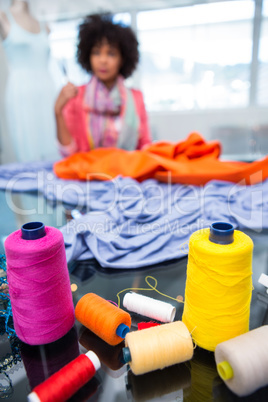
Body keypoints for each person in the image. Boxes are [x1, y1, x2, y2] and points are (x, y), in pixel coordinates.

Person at [54, 13, 152, 157]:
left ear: (122, 59)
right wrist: (58, 111)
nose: (103, 60)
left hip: (126, 173)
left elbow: (145, 147)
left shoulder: (136, 98)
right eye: (96, 52)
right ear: (88, 55)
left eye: (111, 54)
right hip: (89, 174)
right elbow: (68, 153)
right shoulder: (76, 96)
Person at [0, 0, 58, 162]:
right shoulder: (3, 17)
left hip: (48, 90)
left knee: (53, 143)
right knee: (28, 148)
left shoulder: (44, 25)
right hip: (22, 92)